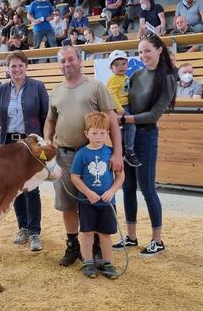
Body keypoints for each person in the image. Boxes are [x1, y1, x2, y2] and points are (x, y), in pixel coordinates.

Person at [44, 45, 122, 267]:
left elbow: (112, 120)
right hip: (64, 156)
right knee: (67, 204)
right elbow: (50, 120)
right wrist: (48, 140)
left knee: (95, 200)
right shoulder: (57, 91)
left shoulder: (96, 87)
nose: (67, 64)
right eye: (62, 61)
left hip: (93, 156)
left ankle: (97, 245)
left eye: (70, 59)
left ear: (80, 61)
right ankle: (73, 246)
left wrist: (117, 152)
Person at [111, 34, 176, 256]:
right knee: (127, 187)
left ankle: (157, 240)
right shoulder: (136, 74)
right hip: (127, 136)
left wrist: (127, 119)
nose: (144, 55)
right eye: (140, 52)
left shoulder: (167, 77)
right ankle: (131, 236)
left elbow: (155, 114)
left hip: (145, 136)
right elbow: (123, 101)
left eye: (147, 50)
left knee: (147, 188)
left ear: (159, 50)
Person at [0, 51, 49, 252]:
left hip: (31, 145)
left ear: (26, 67)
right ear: (7, 69)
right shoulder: (0, 91)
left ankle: (35, 232)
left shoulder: (38, 87)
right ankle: (22, 228)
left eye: (20, 66)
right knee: (15, 189)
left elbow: (45, 117)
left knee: (32, 188)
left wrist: (44, 143)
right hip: (9, 145)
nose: (17, 70)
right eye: (13, 66)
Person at [70, 111, 124, 279]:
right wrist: (88, 192)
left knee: (105, 234)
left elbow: (121, 176)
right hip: (88, 203)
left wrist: (111, 191)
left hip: (107, 203)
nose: (99, 136)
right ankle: (88, 262)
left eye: (102, 132)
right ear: (87, 133)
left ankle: (107, 262)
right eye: (94, 133)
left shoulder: (111, 153)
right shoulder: (82, 154)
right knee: (87, 233)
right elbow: (75, 177)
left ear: (108, 132)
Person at [106, 50, 141, 167]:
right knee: (131, 126)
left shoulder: (125, 77)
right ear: (111, 68)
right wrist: (120, 108)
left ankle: (121, 149)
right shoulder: (113, 79)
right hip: (121, 107)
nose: (121, 67)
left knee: (126, 129)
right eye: (116, 65)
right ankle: (129, 151)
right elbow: (111, 95)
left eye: (123, 63)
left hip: (128, 105)